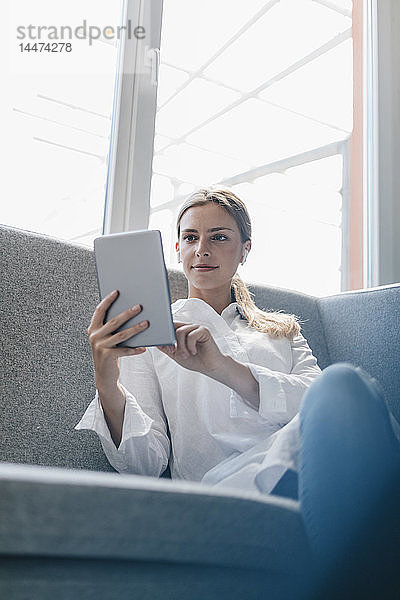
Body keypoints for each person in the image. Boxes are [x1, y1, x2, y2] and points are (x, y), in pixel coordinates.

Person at [76, 188, 400, 580]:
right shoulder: (153, 333)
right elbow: (144, 465)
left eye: (219, 237)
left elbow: (322, 403)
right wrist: (106, 380)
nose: (202, 249)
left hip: (307, 465)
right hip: (224, 489)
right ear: (177, 248)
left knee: (348, 385)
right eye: (191, 238)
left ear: (245, 249)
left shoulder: (283, 331)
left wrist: (223, 369)